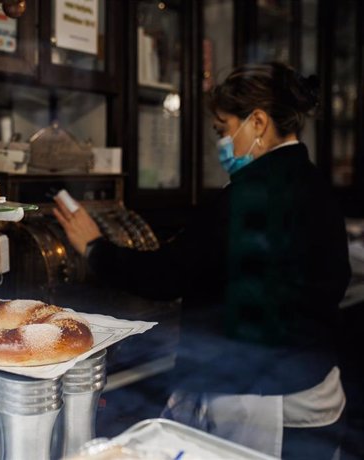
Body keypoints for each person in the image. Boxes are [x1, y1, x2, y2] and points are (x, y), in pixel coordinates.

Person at [53, 62, 351, 459]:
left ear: (258, 122)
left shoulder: (252, 195)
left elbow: (168, 274)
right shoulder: (312, 181)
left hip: (271, 402)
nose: (221, 141)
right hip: (318, 388)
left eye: (222, 128)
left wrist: (95, 247)